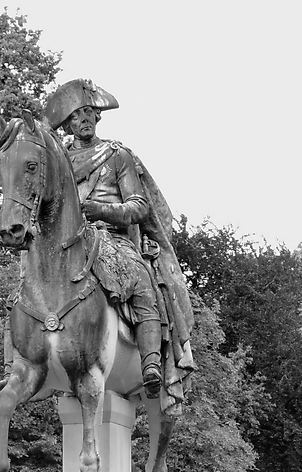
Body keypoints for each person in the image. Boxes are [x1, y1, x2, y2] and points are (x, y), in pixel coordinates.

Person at [43, 78, 194, 406]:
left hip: (112, 237)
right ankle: (26, 356)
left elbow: (139, 206)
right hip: (70, 240)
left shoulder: (117, 155)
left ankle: (151, 359)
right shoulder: (59, 162)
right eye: (75, 116)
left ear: (98, 116)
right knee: (30, 279)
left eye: (88, 112)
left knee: (140, 280)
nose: (83, 119)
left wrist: (101, 209)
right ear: (67, 124)